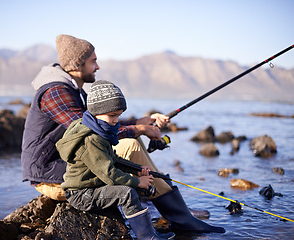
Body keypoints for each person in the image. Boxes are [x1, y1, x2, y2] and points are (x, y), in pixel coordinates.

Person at [21, 34, 225, 233]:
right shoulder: (56, 92)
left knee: (132, 141)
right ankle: (180, 217)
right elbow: (91, 128)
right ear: (77, 65)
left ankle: (178, 213)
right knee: (132, 144)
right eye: (93, 61)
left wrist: (139, 122)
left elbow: (101, 120)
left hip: (66, 166)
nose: (98, 67)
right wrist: (139, 129)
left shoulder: (72, 90)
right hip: (51, 175)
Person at [56, 80, 175, 240]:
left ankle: (151, 233)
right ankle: (148, 237)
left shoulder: (98, 130)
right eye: (112, 116)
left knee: (130, 188)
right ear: (97, 112)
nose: (115, 120)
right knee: (127, 193)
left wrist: (137, 169)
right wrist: (137, 182)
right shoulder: (91, 139)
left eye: (118, 116)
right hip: (81, 194)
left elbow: (113, 159)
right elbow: (109, 173)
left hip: (92, 186)